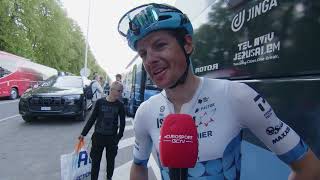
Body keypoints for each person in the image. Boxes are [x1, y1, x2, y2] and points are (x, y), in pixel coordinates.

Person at [117, 3, 320, 180]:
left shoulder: (237, 96)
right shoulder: (145, 111)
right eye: (143, 53)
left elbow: (309, 168)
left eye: (160, 45)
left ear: (187, 44)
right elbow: (138, 165)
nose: (150, 59)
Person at [79, 81, 126, 180]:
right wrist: (83, 134)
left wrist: (118, 137)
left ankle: (109, 178)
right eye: (119, 90)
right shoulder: (100, 102)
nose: (121, 93)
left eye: (121, 91)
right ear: (112, 90)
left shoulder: (120, 105)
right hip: (98, 138)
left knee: (110, 163)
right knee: (95, 163)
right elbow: (92, 119)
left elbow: (122, 123)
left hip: (112, 139)